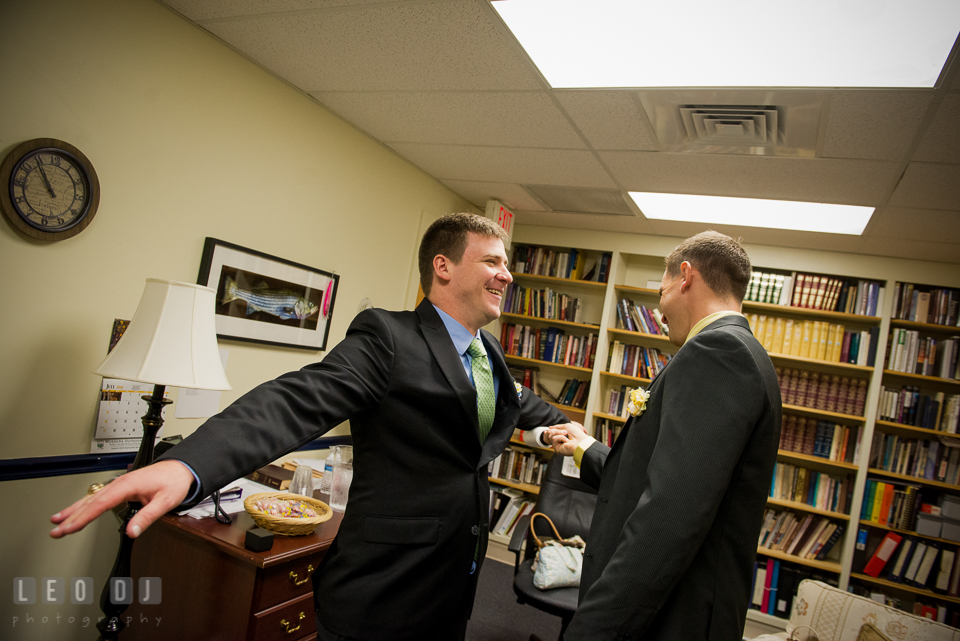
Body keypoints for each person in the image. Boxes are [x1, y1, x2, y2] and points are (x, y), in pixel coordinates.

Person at [51, 213, 570, 641]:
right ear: (444, 267)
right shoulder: (388, 337)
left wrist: (564, 431)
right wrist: (187, 464)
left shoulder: (487, 354)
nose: (507, 275)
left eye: (507, 265)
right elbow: (295, 400)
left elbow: (513, 402)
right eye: (493, 262)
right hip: (382, 591)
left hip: (455, 584)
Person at [546, 231, 781, 640]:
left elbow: (667, 518)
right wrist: (586, 449)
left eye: (661, 290)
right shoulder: (740, 351)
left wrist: (593, 629)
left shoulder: (718, 354)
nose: (659, 309)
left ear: (685, 277)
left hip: (672, 618)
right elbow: (666, 477)